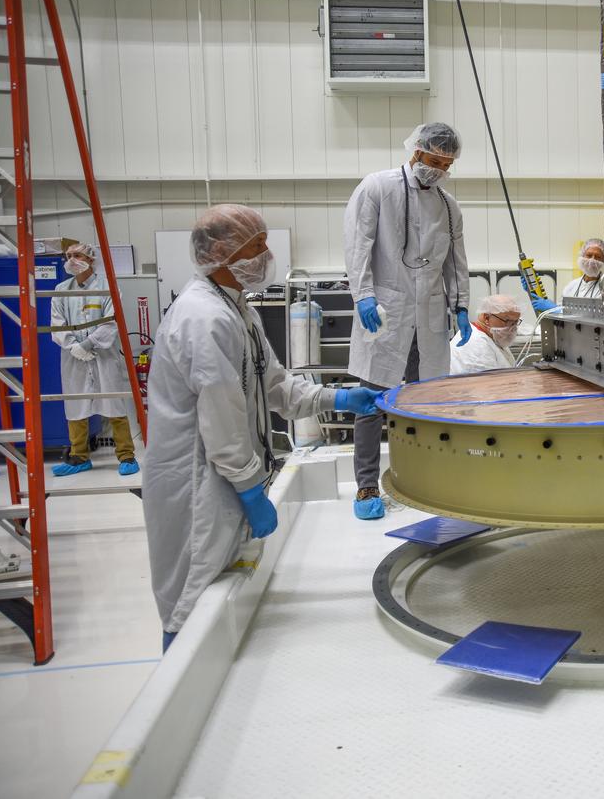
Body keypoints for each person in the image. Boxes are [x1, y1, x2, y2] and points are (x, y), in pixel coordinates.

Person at [143, 205, 380, 651]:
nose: (267, 255)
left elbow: (275, 385)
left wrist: (340, 397)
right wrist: (251, 489)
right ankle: (174, 696)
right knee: (191, 596)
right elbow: (223, 423)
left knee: (215, 586)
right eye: (257, 247)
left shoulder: (237, 310)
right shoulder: (203, 319)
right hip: (197, 482)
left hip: (222, 475)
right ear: (220, 252)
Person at [344, 123, 470, 521]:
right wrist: (363, 294)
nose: (438, 169)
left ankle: (422, 478)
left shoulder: (449, 205)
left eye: (446, 164)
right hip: (385, 311)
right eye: (433, 160)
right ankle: (366, 484)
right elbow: (358, 244)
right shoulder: (377, 187)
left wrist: (462, 304)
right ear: (416, 151)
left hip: (429, 315)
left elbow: (456, 259)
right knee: (371, 403)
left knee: (426, 403)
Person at [49, 243, 138, 477]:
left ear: (90, 258)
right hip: (73, 358)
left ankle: (126, 455)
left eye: (76, 255)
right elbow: (57, 324)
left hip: (104, 355)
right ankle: (79, 457)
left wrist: (88, 345)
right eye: (68, 256)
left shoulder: (108, 287)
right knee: (75, 403)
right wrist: (74, 347)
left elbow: (111, 322)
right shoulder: (61, 289)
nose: (70, 260)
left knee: (113, 403)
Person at [529, 237, 604, 315]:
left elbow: (597, 316)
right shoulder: (572, 286)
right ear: (582, 256)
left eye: (598, 257)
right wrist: (531, 287)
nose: (592, 260)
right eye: (589, 255)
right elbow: (560, 309)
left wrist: (555, 309)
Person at [450, 294, 521, 374]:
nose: (513, 328)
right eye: (507, 321)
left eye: (516, 322)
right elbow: (488, 383)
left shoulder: (493, 336)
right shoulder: (477, 345)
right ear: (486, 318)